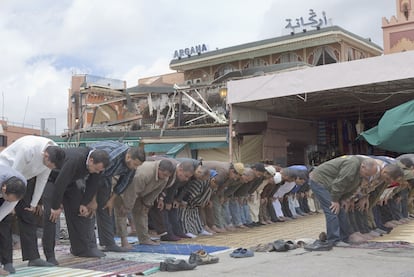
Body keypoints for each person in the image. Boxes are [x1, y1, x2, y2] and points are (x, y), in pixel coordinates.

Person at [0, 135, 65, 270]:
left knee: (28, 215)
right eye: (48, 165)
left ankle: (33, 257)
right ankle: (7, 262)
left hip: (24, 179)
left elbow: (42, 179)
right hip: (8, 176)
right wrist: (9, 206)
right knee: (5, 219)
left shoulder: (53, 154)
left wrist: (34, 204)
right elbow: (14, 176)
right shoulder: (27, 149)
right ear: (45, 155)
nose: (48, 167)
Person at [43, 147, 110, 260]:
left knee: (78, 210)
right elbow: (60, 183)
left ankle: (81, 249)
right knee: (51, 216)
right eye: (96, 169)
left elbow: (93, 183)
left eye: (100, 171)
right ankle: (50, 255)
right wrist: (56, 206)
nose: (97, 172)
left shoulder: (97, 165)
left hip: (70, 181)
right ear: (91, 160)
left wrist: (84, 203)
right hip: (53, 180)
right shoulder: (75, 159)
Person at [89, 141, 146, 252]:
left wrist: (111, 200)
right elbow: (95, 176)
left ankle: (108, 243)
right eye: (134, 164)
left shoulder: (131, 165)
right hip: (91, 174)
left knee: (106, 208)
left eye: (137, 166)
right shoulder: (111, 157)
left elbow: (124, 182)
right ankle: (89, 245)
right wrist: (93, 199)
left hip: (105, 177)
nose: (135, 168)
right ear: (128, 156)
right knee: (89, 208)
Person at [309, 155, 378, 245]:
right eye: (367, 174)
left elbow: (352, 187)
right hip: (320, 181)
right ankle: (334, 240)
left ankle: (345, 237)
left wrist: (344, 199)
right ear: (363, 167)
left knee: (341, 210)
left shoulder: (360, 171)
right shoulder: (352, 165)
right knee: (332, 209)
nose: (367, 177)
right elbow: (339, 183)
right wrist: (335, 200)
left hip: (331, 185)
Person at [115, 159, 175, 246]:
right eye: (164, 174)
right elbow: (132, 191)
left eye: (167, 175)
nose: (165, 177)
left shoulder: (165, 178)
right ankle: (123, 240)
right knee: (122, 213)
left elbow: (155, 192)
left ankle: (144, 238)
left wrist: (147, 204)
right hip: (124, 190)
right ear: (159, 169)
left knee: (142, 212)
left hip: (141, 192)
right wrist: (127, 206)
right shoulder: (143, 174)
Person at [0, 165, 27, 275]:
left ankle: (5, 263)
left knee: (5, 225)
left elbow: (8, 206)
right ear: (4, 189)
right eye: (8, 199)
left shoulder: (22, 184)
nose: (10, 202)